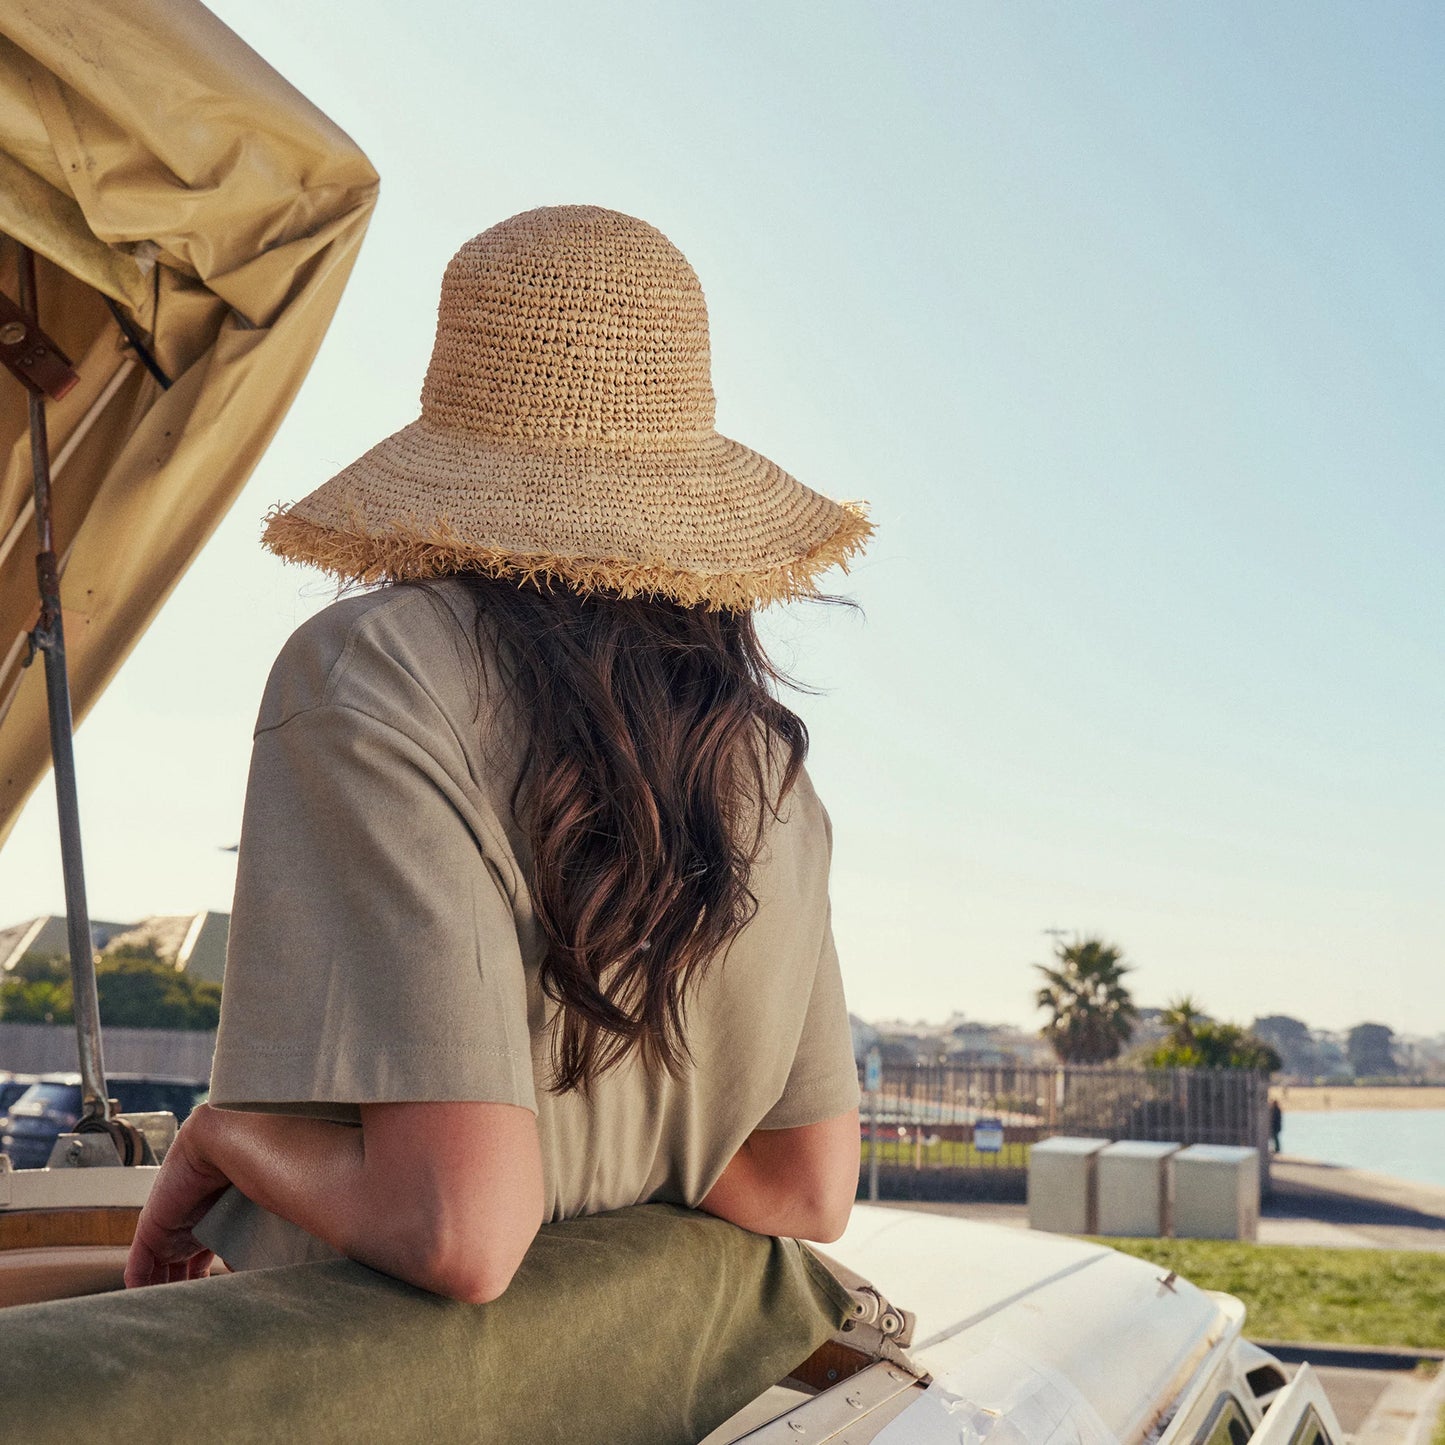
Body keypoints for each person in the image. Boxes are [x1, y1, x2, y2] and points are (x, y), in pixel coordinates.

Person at [124, 206, 873, 1301]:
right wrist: (598, 1156)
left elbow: (462, 1232)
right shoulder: (761, 756)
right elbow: (807, 1185)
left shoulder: (375, 667)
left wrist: (224, 1138)